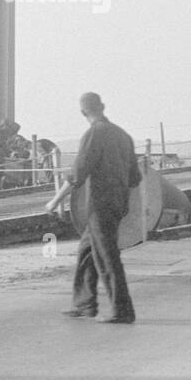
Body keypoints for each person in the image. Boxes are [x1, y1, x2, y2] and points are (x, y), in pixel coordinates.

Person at [66, 93, 140, 324]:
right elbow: (135, 178)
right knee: (87, 251)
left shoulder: (94, 133)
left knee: (107, 257)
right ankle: (85, 304)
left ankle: (122, 310)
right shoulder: (123, 135)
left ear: (82, 112)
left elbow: (78, 174)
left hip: (100, 205)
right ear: (103, 107)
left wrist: (55, 201)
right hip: (118, 203)